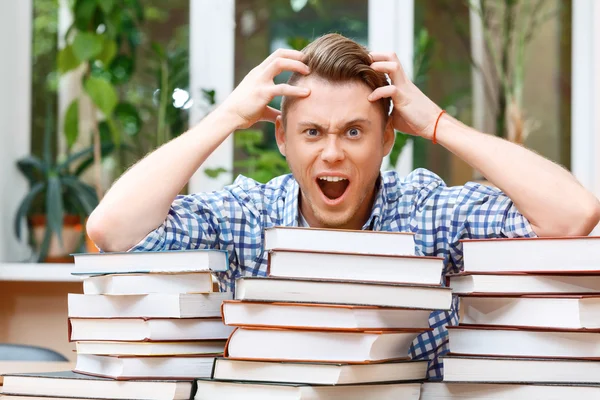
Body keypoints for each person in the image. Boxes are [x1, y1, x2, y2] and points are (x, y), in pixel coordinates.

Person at [86, 33, 600, 379]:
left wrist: (438, 123)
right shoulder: (247, 214)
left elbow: (570, 216)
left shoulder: (426, 211)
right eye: (312, 132)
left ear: (387, 140)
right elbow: (114, 230)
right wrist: (223, 119)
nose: (332, 151)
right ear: (282, 139)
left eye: (354, 131)